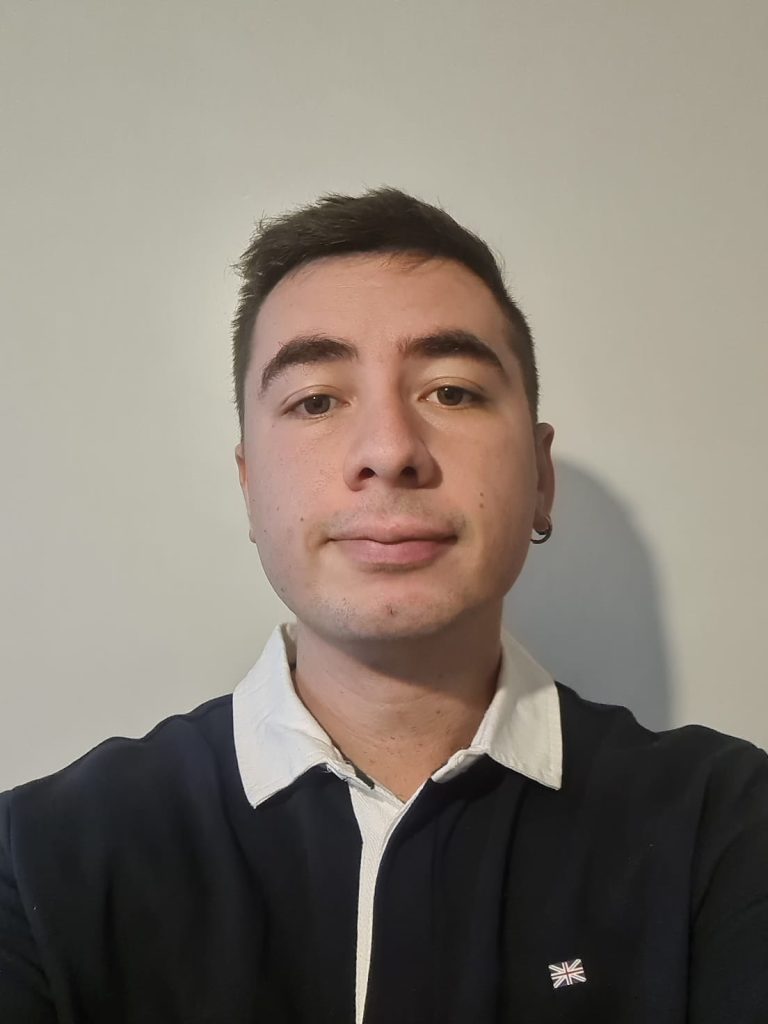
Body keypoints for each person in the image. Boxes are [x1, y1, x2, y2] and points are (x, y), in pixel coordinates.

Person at [1, 187, 766, 1024]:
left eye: (453, 391)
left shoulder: (725, 828)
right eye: (316, 400)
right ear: (250, 486)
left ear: (540, 478)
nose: (391, 450)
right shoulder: (42, 859)